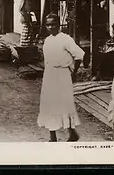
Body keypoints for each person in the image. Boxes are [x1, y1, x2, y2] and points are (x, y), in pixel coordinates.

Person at [37, 14, 84, 142]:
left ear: (59, 25)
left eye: (53, 24)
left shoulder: (66, 39)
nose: (50, 27)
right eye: (48, 24)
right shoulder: (47, 40)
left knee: (64, 103)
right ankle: (52, 137)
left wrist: (73, 73)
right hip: (50, 74)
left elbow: (79, 55)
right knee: (49, 103)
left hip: (63, 74)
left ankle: (72, 133)